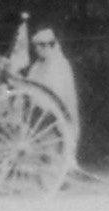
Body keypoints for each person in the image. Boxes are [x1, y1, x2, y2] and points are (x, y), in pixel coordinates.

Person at [23, 25, 81, 153]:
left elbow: (58, 93)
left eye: (38, 47)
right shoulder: (37, 66)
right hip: (38, 113)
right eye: (35, 47)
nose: (36, 51)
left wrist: (40, 104)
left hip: (53, 114)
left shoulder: (60, 65)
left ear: (46, 46)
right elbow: (29, 86)